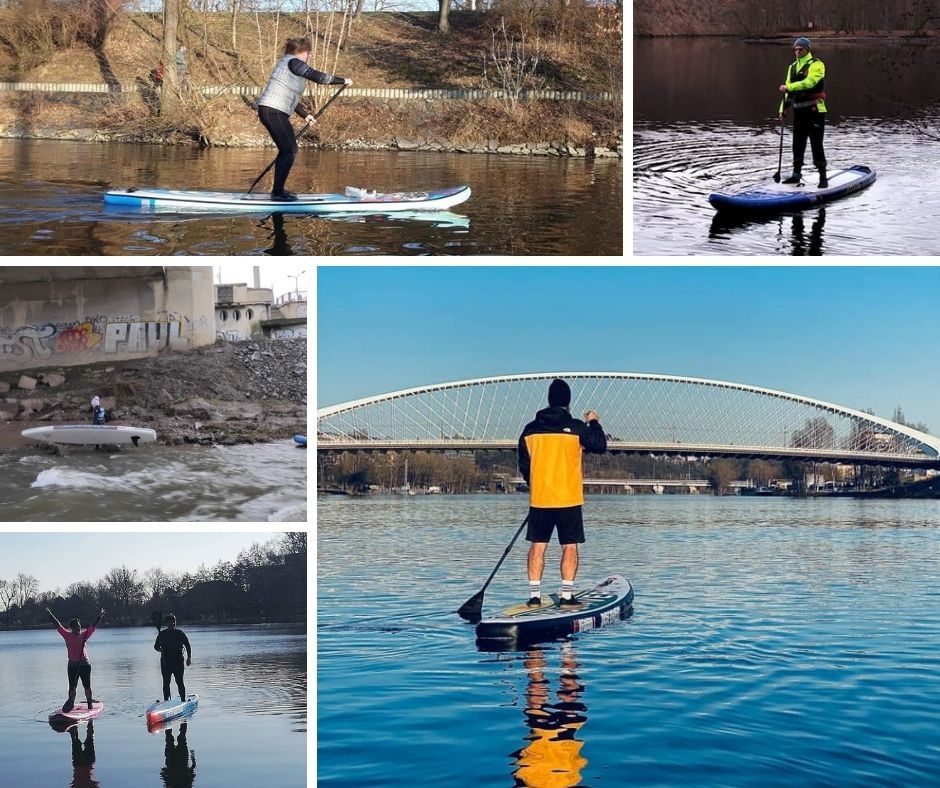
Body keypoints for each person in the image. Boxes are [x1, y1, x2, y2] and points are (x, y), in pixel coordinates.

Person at [518, 379, 607, 608]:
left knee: (538, 545)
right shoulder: (577, 428)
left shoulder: (529, 431)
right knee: (569, 546)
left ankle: (534, 597)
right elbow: (599, 444)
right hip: (568, 499)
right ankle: (567, 596)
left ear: (549, 400)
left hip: (541, 499)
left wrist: (536, 485)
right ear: (568, 403)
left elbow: (524, 465)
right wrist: (593, 421)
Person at [257, 36, 352, 201]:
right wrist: (343, 80)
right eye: (309, 53)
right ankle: (278, 193)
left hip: (272, 110)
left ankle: (278, 191)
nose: (310, 56)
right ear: (301, 52)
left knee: (287, 149)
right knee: (289, 150)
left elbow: (288, 96)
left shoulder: (287, 64)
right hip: (273, 111)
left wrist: (305, 115)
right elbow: (318, 77)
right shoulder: (294, 62)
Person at [778, 36, 828, 188]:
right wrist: (783, 109)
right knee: (797, 144)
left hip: (815, 111)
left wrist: (790, 88)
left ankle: (823, 177)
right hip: (799, 112)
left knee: (816, 144)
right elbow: (788, 91)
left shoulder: (817, 65)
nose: (797, 51)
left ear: (807, 50)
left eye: (801, 49)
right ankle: (796, 175)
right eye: (796, 49)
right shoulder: (792, 67)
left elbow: (810, 82)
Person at [46, 606, 106, 713]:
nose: (78, 629)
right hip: (72, 666)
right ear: (71, 628)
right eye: (76, 627)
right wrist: (50, 615)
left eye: (79, 627)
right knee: (72, 687)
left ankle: (89, 703)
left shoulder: (84, 635)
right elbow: (57, 625)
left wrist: (99, 616)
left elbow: (93, 626)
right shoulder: (66, 635)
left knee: (87, 686)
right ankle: (71, 702)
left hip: (84, 665)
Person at [154, 614, 192, 702]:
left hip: (178, 661)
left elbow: (187, 645)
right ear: (167, 623)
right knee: (166, 683)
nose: (173, 623)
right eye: (171, 621)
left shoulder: (180, 633)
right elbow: (156, 647)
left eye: (174, 621)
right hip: (165, 662)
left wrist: (189, 657)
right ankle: (166, 701)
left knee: (180, 682)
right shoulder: (162, 634)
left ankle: (183, 700)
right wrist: (161, 650)